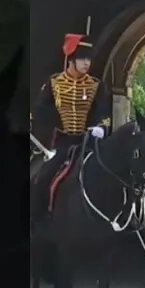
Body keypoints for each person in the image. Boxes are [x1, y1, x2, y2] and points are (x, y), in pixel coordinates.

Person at [30, 30, 112, 216]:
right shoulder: (53, 83)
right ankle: (37, 219)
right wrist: (55, 121)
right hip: (62, 143)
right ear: (72, 60)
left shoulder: (96, 86)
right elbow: (40, 110)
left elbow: (105, 113)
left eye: (89, 60)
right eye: (82, 59)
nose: (86, 64)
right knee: (42, 178)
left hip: (88, 143)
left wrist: (100, 127)